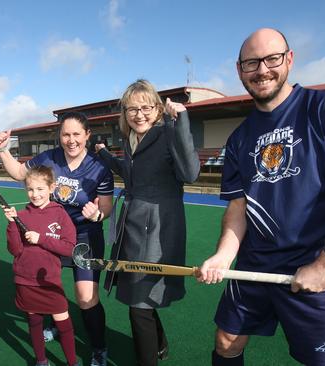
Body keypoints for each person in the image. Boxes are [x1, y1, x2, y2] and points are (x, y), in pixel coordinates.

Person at [196, 28, 325, 366]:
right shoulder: (240, 138)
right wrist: (224, 256)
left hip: (315, 268)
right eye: (252, 63)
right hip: (255, 266)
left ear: (290, 60)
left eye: (272, 59)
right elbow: (239, 207)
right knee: (226, 342)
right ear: (240, 70)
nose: (262, 70)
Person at [0, 112, 114, 366]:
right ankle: (57, 324)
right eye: (66, 135)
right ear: (60, 136)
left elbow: (106, 208)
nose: (71, 140)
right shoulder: (49, 157)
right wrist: (3, 149)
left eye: (76, 135)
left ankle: (99, 348)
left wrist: (97, 215)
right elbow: (19, 173)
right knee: (47, 281)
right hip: (50, 231)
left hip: (85, 235)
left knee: (85, 297)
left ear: (87, 136)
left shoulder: (100, 167)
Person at [95, 79, 200, 366]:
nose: (139, 114)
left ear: (157, 109)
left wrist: (181, 120)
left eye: (146, 107)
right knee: (139, 295)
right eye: (132, 109)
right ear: (124, 113)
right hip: (131, 227)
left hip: (158, 229)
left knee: (138, 305)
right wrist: (104, 153)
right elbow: (129, 174)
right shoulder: (131, 140)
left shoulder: (167, 132)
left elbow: (190, 173)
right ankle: (160, 343)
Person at [3, 166, 80, 366]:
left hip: (49, 281)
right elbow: (15, 250)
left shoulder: (60, 215)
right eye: (30, 189)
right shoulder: (21, 215)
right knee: (34, 323)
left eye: (40, 189)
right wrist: (12, 224)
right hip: (25, 280)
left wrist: (41, 239)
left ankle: (71, 362)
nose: (35, 194)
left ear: (51, 188)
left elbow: (70, 248)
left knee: (64, 323)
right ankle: (41, 360)